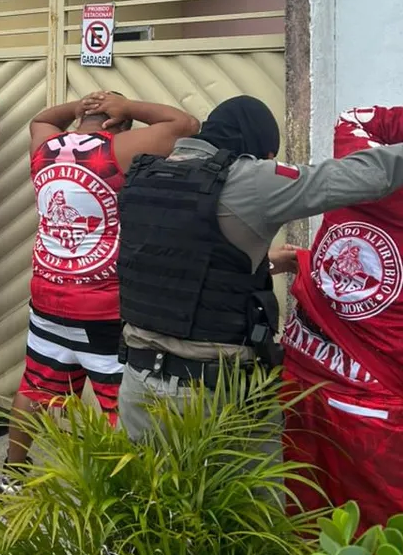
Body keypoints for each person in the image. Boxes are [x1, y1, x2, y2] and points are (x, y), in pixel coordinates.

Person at [117, 94, 403, 443]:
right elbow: (362, 177)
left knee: (149, 480)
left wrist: (263, 261)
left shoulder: (144, 175)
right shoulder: (251, 180)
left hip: (138, 386)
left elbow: (179, 262)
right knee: (253, 480)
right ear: (255, 147)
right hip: (214, 397)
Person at [0, 90, 200, 490]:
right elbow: (186, 125)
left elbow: (41, 119)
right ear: (116, 122)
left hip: (47, 293)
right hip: (102, 306)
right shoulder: (115, 151)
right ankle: (124, 493)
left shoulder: (46, 148)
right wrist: (128, 107)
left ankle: (12, 476)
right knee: (120, 401)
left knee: (34, 387)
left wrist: (79, 107)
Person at [280, 106, 403, 530]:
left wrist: (307, 262)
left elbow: (355, 117)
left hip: (306, 371)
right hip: (373, 408)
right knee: (375, 539)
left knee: (302, 510)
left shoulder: (359, 169)